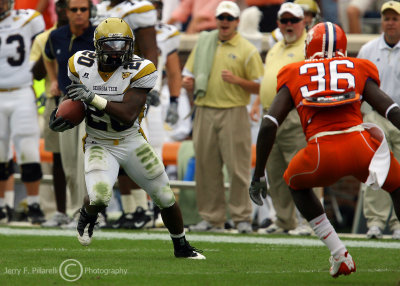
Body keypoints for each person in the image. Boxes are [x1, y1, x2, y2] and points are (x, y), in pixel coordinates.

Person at [249, 21, 400, 278]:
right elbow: (390, 109)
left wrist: (259, 174)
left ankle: (339, 253)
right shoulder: (358, 67)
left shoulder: (294, 71)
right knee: (397, 186)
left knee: (294, 181)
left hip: (321, 152)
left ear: (310, 45)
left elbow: (268, 124)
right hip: (362, 147)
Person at [49, 17, 205, 259]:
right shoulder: (79, 64)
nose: (116, 53)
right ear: (97, 47)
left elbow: (128, 115)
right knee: (100, 195)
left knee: (164, 195)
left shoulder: (141, 68)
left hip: (131, 140)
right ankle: (88, 214)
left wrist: (92, 98)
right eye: (110, 46)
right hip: (98, 141)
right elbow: (74, 102)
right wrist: (61, 114)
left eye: (122, 46)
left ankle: (181, 245)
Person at [182, 1, 264, 233]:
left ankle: (242, 218)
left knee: (238, 169)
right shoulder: (204, 43)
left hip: (234, 112)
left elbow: (261, 87)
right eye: (221, 18)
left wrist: (238, 81)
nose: (225, 22)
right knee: (206, 168)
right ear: (217, 20)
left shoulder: (247, 49)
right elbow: (188, 75)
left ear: (237, 21)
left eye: (229, 18)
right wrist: (188, 83)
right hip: (204, 110)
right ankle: (212, 218)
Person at [91, 0, 160, 229]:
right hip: (105, 84)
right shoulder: (102, 9)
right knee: (116, 147)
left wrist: (149, 85)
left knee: (133, 150)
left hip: (129, 85)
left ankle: (144, 207)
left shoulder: (139, 8)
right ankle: (131, 210)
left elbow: (150, 49)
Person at [250, 2, 308, 234]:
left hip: (295, 116)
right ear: (278, 23)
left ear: (303, 22)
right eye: (284, 21)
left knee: (300, 169)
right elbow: (267, 81)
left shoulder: (309, 47)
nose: (289, 25)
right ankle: (285, 221)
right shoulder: (275, 48)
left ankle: (307, 221)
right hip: (270, 115)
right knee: (275, 171)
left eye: (293, 20)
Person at [43, 0, 96, 224]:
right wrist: (54, 80)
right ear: (66, 11)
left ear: (89, 11)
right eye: (74, 9)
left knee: (86, 161)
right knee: (68, 162)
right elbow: (49, 57)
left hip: (91, 106)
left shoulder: (98, 36)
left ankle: (90, 212)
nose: (78, 14)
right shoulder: (57, 36)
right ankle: (76, 212)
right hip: (67, 106)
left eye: (83, 9)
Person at [357, 0, 400, 240]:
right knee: (377, 170)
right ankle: (374, 222)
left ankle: (397, 224)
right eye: (387, 18)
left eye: (395, 18)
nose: (390, 23)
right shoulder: (367, 50)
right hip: (376, 115)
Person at [0, 0, 46, 224]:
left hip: (21, 92)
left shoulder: (29, 19)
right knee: (0, 153)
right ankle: (2, 206)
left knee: (28, 149)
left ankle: (34, 203)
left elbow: (45, 50)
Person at [30, 0, 70, 227]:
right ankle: (61, 211)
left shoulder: (86, 36)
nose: (70, 13)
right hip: (54, 102)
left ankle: (84, 209)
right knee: (57, 158)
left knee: (84, 158)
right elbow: (35, 73)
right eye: (66, 9)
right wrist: (49, 48)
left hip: (80, 102)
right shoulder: (46, 37)